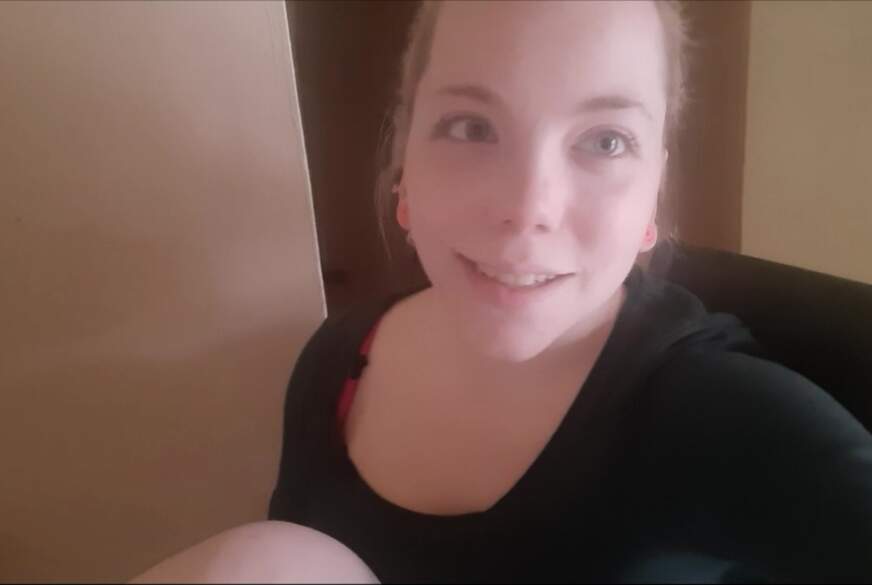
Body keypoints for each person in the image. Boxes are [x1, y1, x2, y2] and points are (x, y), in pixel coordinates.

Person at [132, 1, 872, 583]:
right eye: (470, 127)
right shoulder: (337, 361)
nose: (528, 207)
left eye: (605, 140)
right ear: (404, 170)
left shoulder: (730, 416)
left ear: (652, 195)